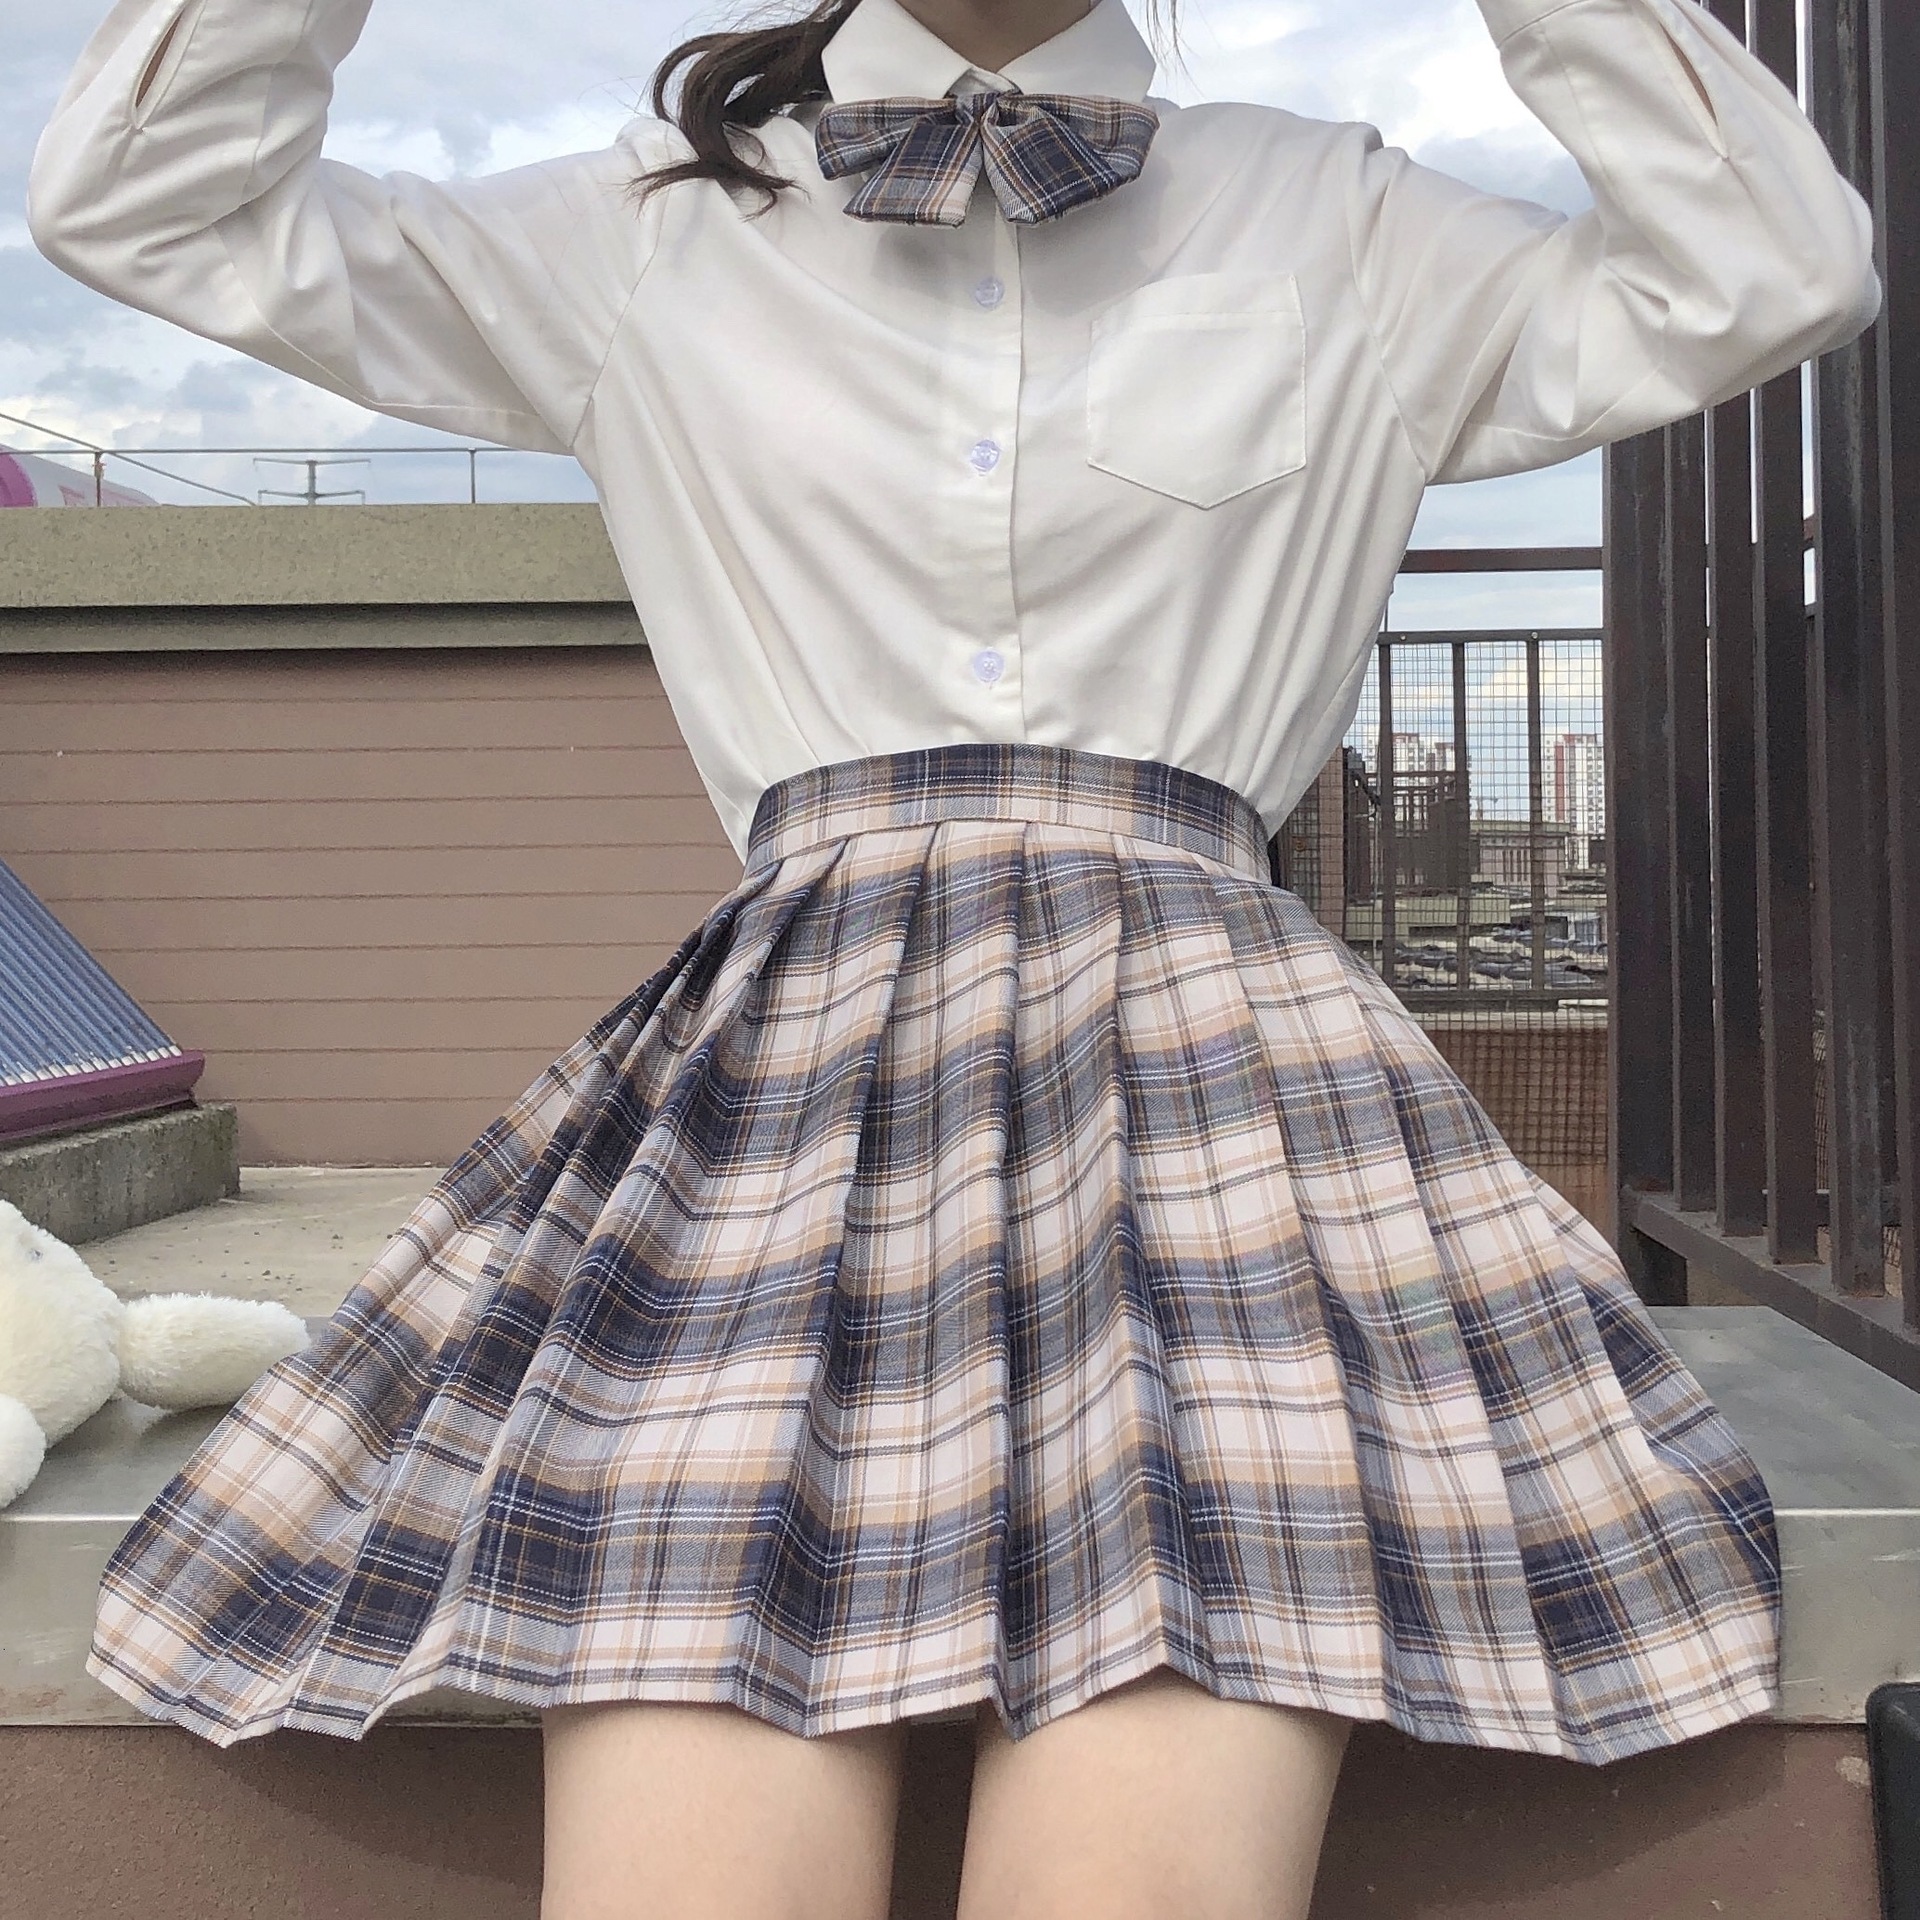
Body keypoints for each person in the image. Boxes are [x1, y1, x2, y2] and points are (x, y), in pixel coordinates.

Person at [28, 0, 1878, 1914]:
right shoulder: (648, 227)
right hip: (786, 1113)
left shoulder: (1340, 213)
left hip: (1220, 1115)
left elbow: (1770, 266)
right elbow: (147, 202)